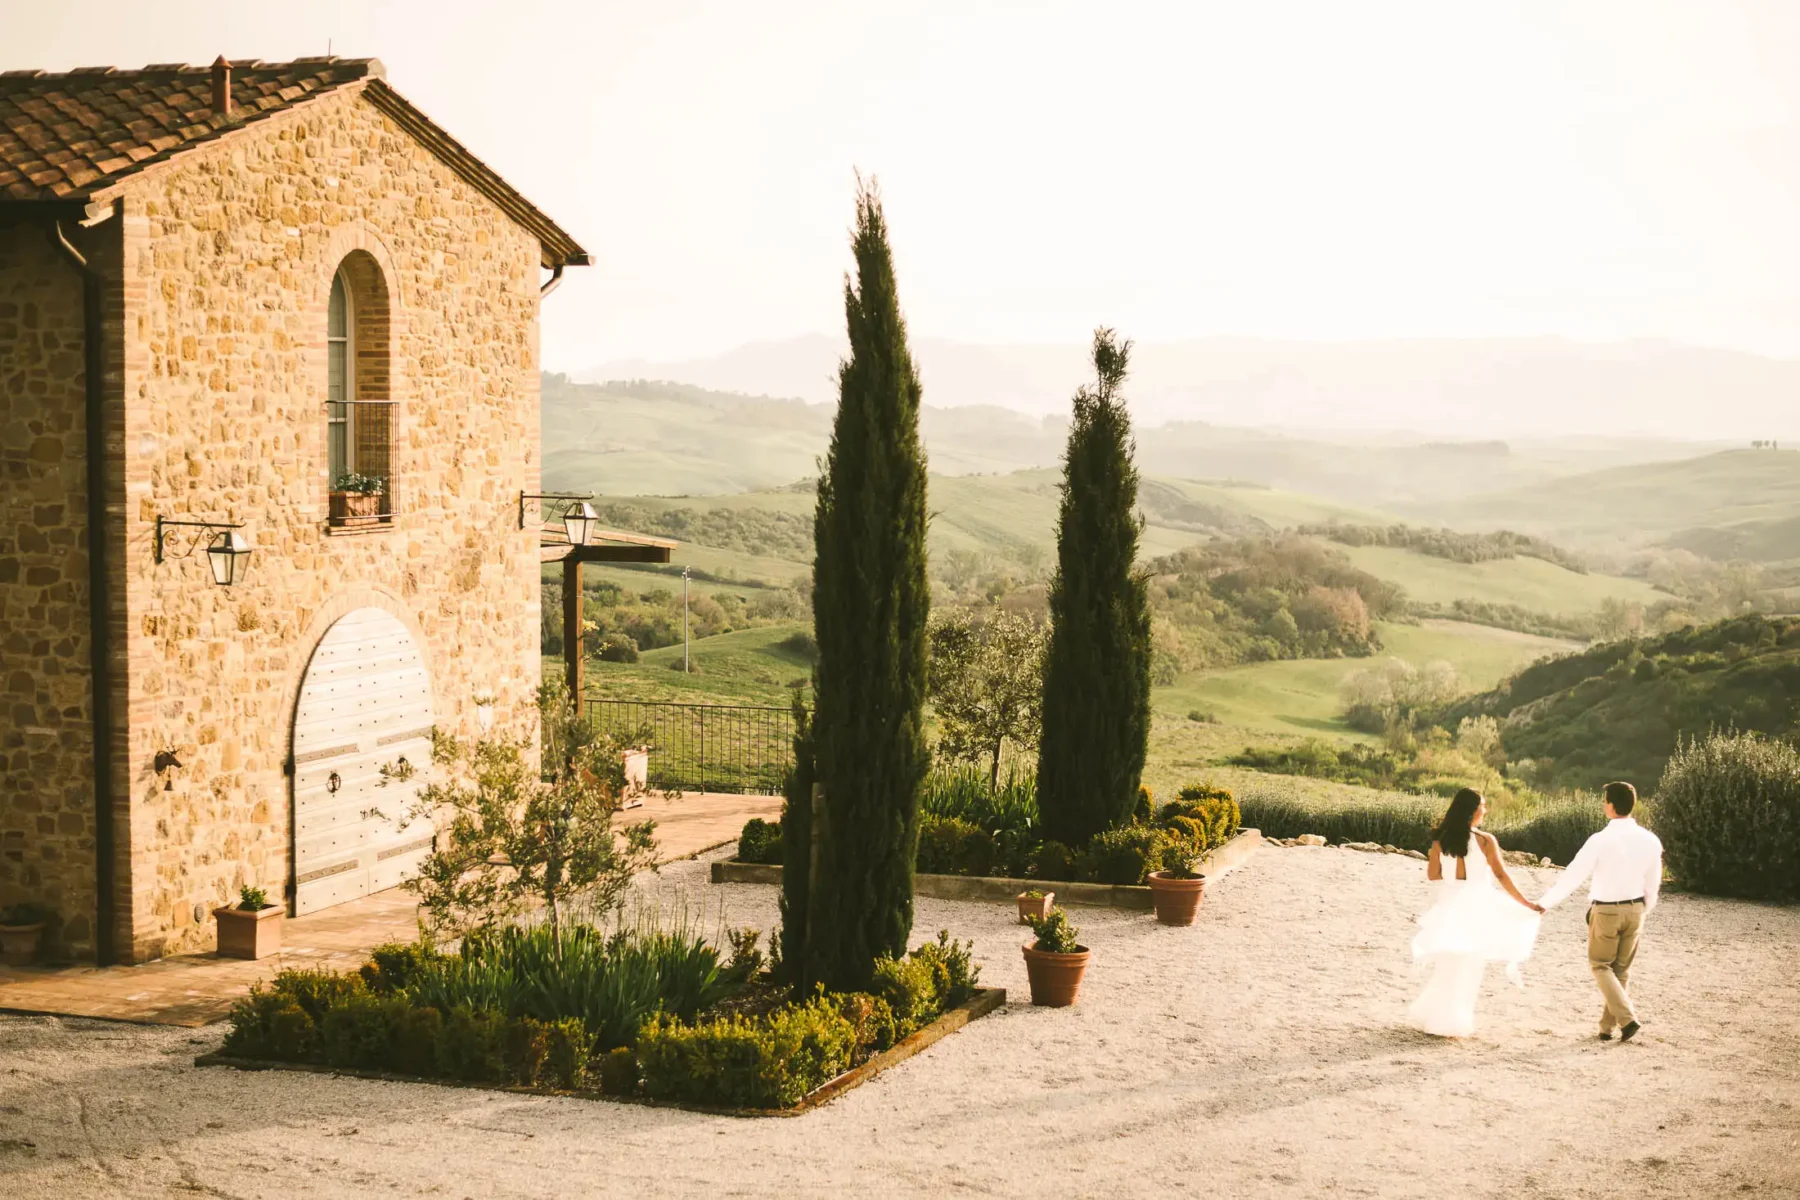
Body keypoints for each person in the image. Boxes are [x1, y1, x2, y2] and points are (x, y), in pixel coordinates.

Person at [1408, 787, 1544, 1038]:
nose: (1485, 810)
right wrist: (1525, 902)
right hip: (1476, 908)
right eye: (1482, 806)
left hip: (1449, 904)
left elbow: (1433, 875)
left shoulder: (1440, 840)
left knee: (1449, 963)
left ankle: (1437, 1016)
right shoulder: (1485, 840)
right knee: (1469, 965)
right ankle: (1452, 1021)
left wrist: (1451, 880)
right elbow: (1501, 875)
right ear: (1472, 811)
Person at [1535, 781, 1664, 1042]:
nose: (1604, 805)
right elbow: (1653, 881)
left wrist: (1545, 902)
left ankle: (1627, 1019)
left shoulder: (1600, 840)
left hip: (1606, 911)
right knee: (1621, 970)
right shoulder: (1651, 840)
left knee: (1600, 965)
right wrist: (1644, 909)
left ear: (1611, 805)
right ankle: (1607, 1028)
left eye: (1605, 801)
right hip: (1636, 909)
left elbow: (1573, 875)